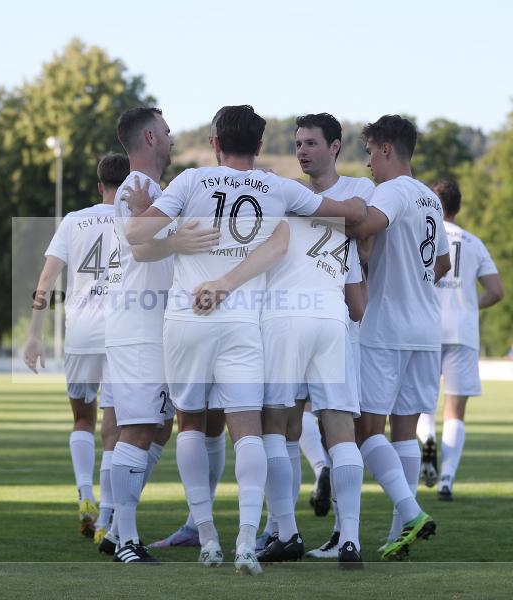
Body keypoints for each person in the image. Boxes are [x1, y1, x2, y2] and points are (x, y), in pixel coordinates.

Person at [125, 104, 366, 574]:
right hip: (243, 322)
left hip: (188, 315)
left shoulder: (192, 181)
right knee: (249, 431)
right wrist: (361, 208)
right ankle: (246, 542)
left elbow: (136, 234)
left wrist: (169, 237)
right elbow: (345, 212)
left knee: (191, 423)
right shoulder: (278, 188)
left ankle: (208, 539)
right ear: (260, 147)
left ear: (214, 142)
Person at [102, 108, 221, 564]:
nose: (173, 140)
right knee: (137, 429)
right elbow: (140, 247)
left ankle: (116, 529)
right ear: (151, 138)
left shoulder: (153, 192)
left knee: (159, 427)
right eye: (168, 133)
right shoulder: (141, 189)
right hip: (140, 329)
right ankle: (125, 540)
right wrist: (177, 242)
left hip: (152, 327)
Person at [346, 115, 451, 560]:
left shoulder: (391, 190)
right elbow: (444, 263)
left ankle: (410, 512)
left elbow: (365, 225)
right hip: (428, 329)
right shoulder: (430, 197)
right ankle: (397, 536)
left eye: (369, 151)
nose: (367, 161)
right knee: (405, 430)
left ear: (386, 148)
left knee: (366, 429)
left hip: (387, 325)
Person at [23, 153, 129, 538]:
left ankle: (85, 494)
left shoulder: (74, 220)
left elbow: (46, 279)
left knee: (82, 420)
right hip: (123, 336)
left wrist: (35, 332)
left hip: (81, 334)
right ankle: (107, 521)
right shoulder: (140, 218)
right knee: (115, 431)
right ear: (130, 182)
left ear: (99, 185)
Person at [289, 114, 376, 562]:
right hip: (338, 322)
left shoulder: (354, 192)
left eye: (311, 143)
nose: (302, 151)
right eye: (298, 143)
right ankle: (348, 538)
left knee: (282, 429)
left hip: (297, 325)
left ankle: (281, 531)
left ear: (336, 146)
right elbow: (358, 249)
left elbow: (364, 235)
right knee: (339, 430)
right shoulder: (306, 198)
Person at [416, 179, 503, 500]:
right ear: (457, 207)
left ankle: (427, 440)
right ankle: (447, 481)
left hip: (425, 327)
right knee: (455, 410)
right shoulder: (474, 242)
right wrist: (470, 305)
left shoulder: (421, 235)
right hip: (462, 331)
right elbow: (496, 291)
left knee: (421, 401)